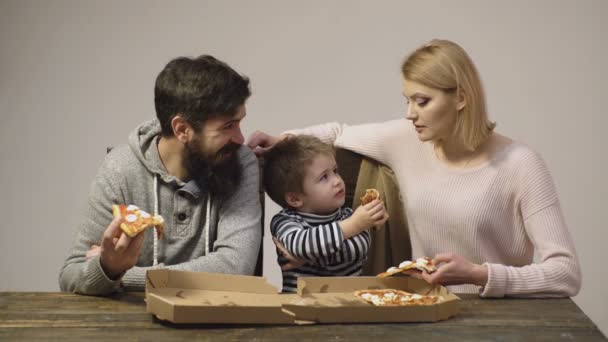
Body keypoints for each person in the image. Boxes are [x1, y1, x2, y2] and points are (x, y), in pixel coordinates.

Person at [248, 39, 581, 297]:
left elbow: (566, 273)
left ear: (461, 98)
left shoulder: (522, 164)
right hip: (422, 311)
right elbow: (336, 133)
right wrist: (282, 139)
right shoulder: (407, 139)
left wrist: (480, 275)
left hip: (499, 318)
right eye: (407, 100)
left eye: (422, 101)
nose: (410, 113)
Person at [59, 55, 262, 295]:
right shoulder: (120, 169)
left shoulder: (239, 160)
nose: (240, 138)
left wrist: (125, 275)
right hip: (127, 326)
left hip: (219, 326)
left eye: (239, 123)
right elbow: (72, 275)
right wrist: (107, 267)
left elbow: (236, 268)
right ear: (182, 129)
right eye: (228, 126)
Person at [263, 135, 388, 292]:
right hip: (300, 309)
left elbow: (358, 248)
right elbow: (299, 245)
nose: (337, 180)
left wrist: (309, 257)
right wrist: (354, 226)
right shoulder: (284, 221)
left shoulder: (348, 214)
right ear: (295, 199)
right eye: (324, 177)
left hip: (348, 307)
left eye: (335, 171)